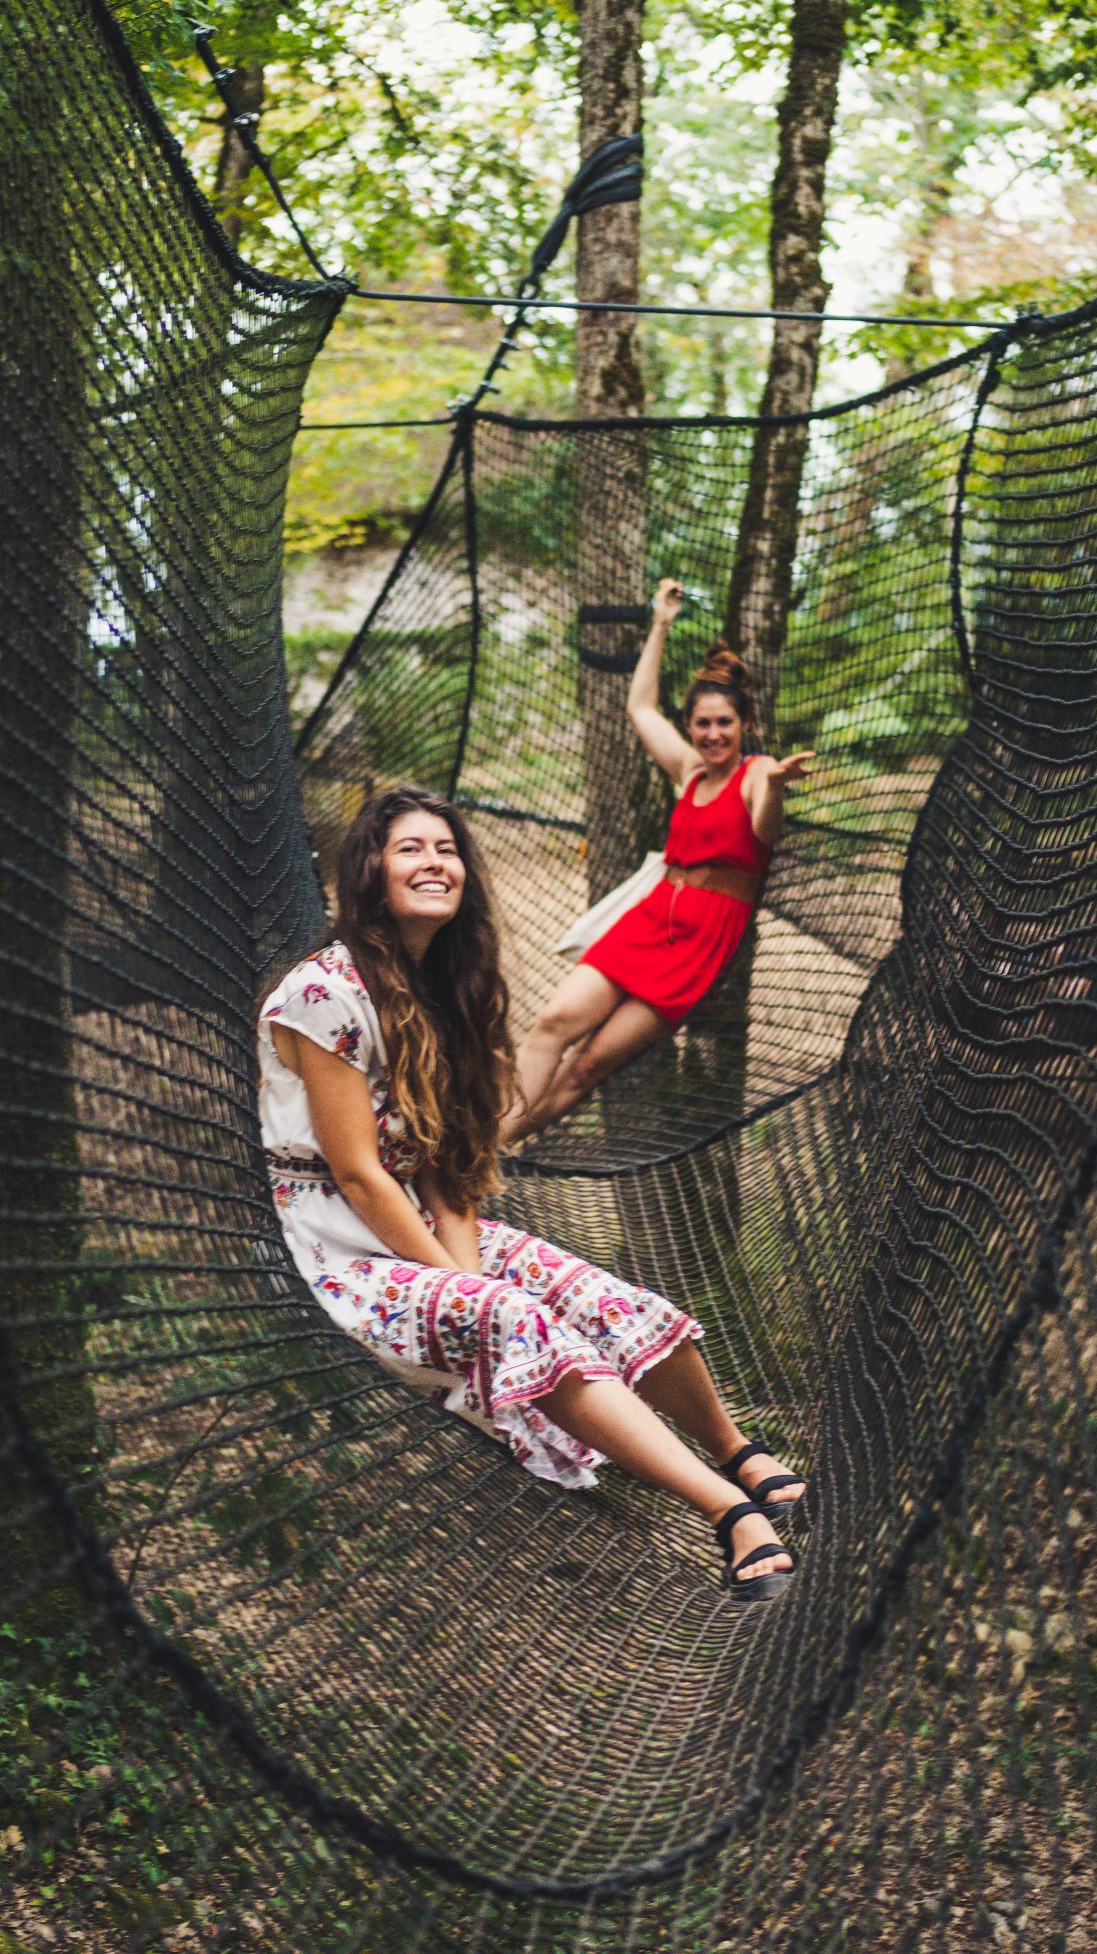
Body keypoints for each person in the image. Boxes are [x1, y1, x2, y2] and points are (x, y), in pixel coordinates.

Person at [257, 784, 807, 1603]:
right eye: (411, 848)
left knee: (594, 1294)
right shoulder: (322, 994)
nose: (434, 863)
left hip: (411, 1213)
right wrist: (464, 1283)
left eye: (446, 850)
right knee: (510, 1315)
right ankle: (727, 1513)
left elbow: (445, 1162)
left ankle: (735, 1451)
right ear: (371, 869)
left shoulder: (442, 987)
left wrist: (463, 1254)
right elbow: (358, 1174)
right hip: (332, 1246)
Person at [501, 580, 816, 1145]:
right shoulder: (691, 771)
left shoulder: (756, 776)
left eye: (725, 723)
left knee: (587, 1068)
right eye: (703, 723)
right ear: (692, 727)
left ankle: (494, 1152)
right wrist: (660, 624)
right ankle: (481, 1147)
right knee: (552, 1025)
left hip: (699, 944)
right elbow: (640, 706)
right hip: (649, 920)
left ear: (744, 726)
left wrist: (774, 785)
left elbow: (766, 832)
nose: (714, 733)